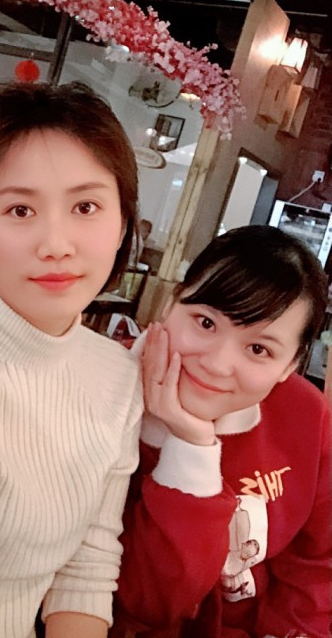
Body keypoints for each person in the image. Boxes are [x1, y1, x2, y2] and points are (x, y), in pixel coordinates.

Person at [0, 81, 144, 638]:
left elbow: (87, 567)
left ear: (121, 225)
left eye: (85, 207)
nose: (56, 243)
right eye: (20, 209)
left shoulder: (119, 376)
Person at [113, 225, 331, 638]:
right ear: (170, 303)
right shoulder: (99, 400)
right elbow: (148, 603)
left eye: (258, 349)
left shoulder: (304, 413)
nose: (216, 364)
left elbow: (318, 565)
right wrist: (191, 443)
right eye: (206, 322)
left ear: (290, 365)